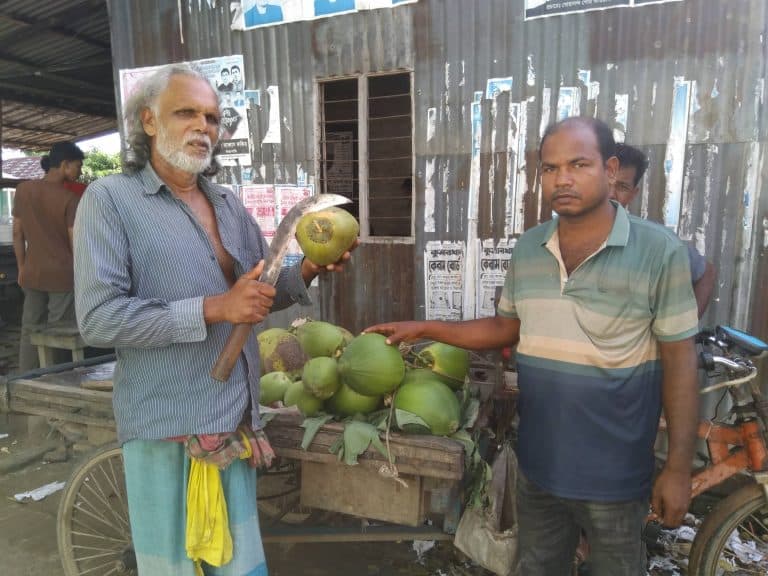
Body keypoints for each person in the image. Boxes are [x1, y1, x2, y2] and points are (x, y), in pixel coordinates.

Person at [366, 117, 700, 576]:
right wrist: (422, 327)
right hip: (539, 466)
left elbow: (681, 362)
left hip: (615, 478)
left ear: (610, 168)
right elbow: (507, 328)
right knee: (538, 566)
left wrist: (678, 467)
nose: (562, 179)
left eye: (579, 164)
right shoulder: (529, 248)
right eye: (549, 168)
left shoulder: (659, 252)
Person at [73, 63, 354, 576]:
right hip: (167, 424)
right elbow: (98, 319)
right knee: (179, 568)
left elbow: (259, 291)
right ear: (149, 122)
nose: (203, 126)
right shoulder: (110, 201)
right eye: (187, 113)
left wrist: (309, 269)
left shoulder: (226, 203)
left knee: (236, 566)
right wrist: (213, 307)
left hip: (231, 418)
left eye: (212, 117)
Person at [612, 143, 716, 318]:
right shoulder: (555, 234)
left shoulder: (657, 242)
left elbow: (707, 273)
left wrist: (684, 332)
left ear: (633, 194)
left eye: (622, 187)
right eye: (605, 183)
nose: (611, 194)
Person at [13, 142, 85, 372]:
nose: (79, 172)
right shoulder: (69, 199)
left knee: (30, 328)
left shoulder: (24, 190)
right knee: (59, 332)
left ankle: (27, 376)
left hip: (32, 272)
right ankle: (54, 378)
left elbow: (17, 232)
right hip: (62, 276)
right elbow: (76, 244)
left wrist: (22, 266)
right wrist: (82, 275)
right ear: (64, 165)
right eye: (77, 166)